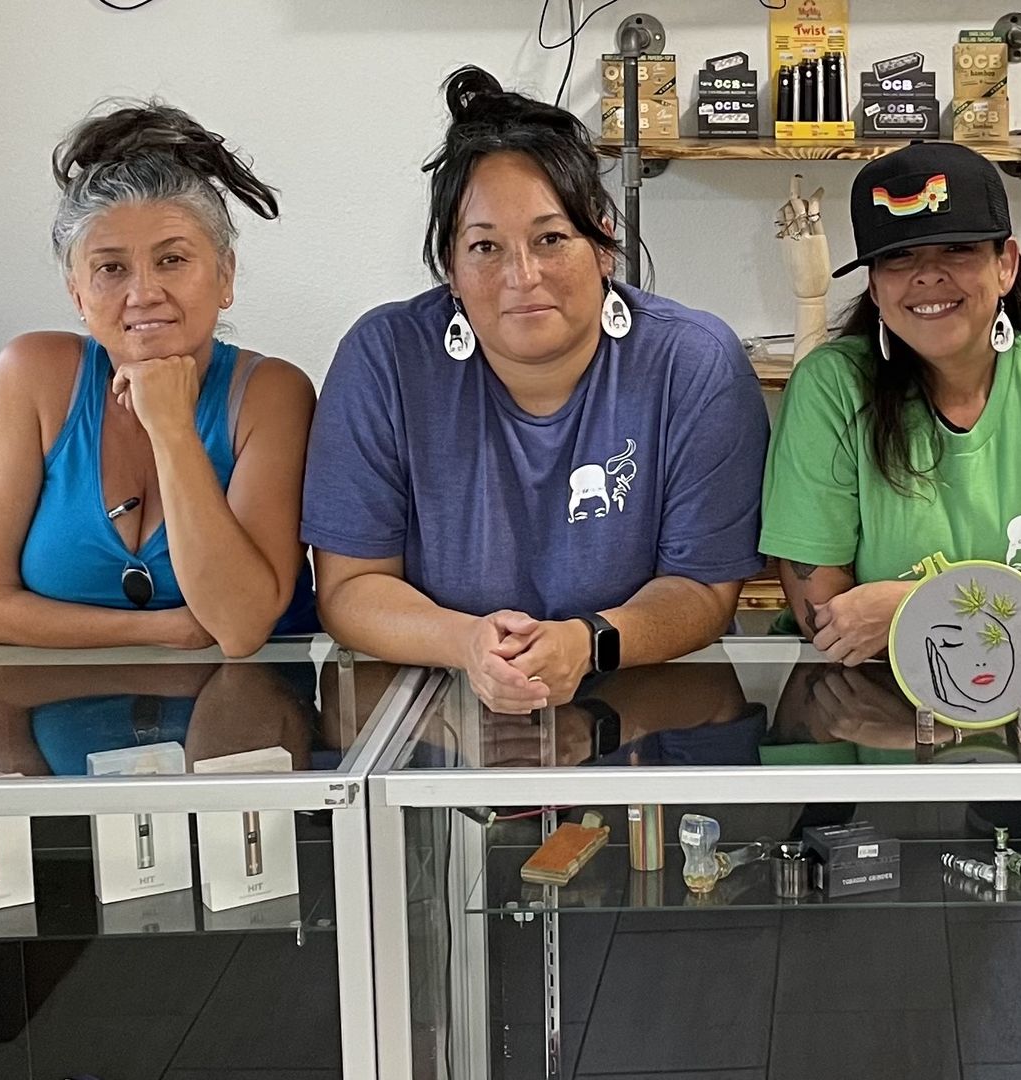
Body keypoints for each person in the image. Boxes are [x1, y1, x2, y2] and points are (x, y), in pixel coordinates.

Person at [304, 66, 768, 715]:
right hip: (439, 713)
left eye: (551, 239)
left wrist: (587, 641)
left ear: (603, 240)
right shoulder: (386, 359)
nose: (522, 275)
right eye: (485, 247)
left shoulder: (693, 363)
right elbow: (352, 587)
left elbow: (702, 591)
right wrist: (469, 643)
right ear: (449, 268)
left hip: (646, 712)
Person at [760, 142, 1021, 669]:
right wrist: (1012, 614)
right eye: (898, 256)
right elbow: (827, 618)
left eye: (957, 249)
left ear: (1005, 265)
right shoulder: (831, 386)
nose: (928, 274)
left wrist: (902, 606)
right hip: (863, 695)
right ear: (874, 285)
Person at [0, 102, 318, 656]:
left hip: (243, 726)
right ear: (76, 293)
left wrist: (173, 428)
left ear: (225, 275)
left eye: (173, 260)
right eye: (110, 268)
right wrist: (164, 630)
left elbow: (240, 625)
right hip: (63, 724)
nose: (143, 293)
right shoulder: (30, 375)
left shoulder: (273, 396)